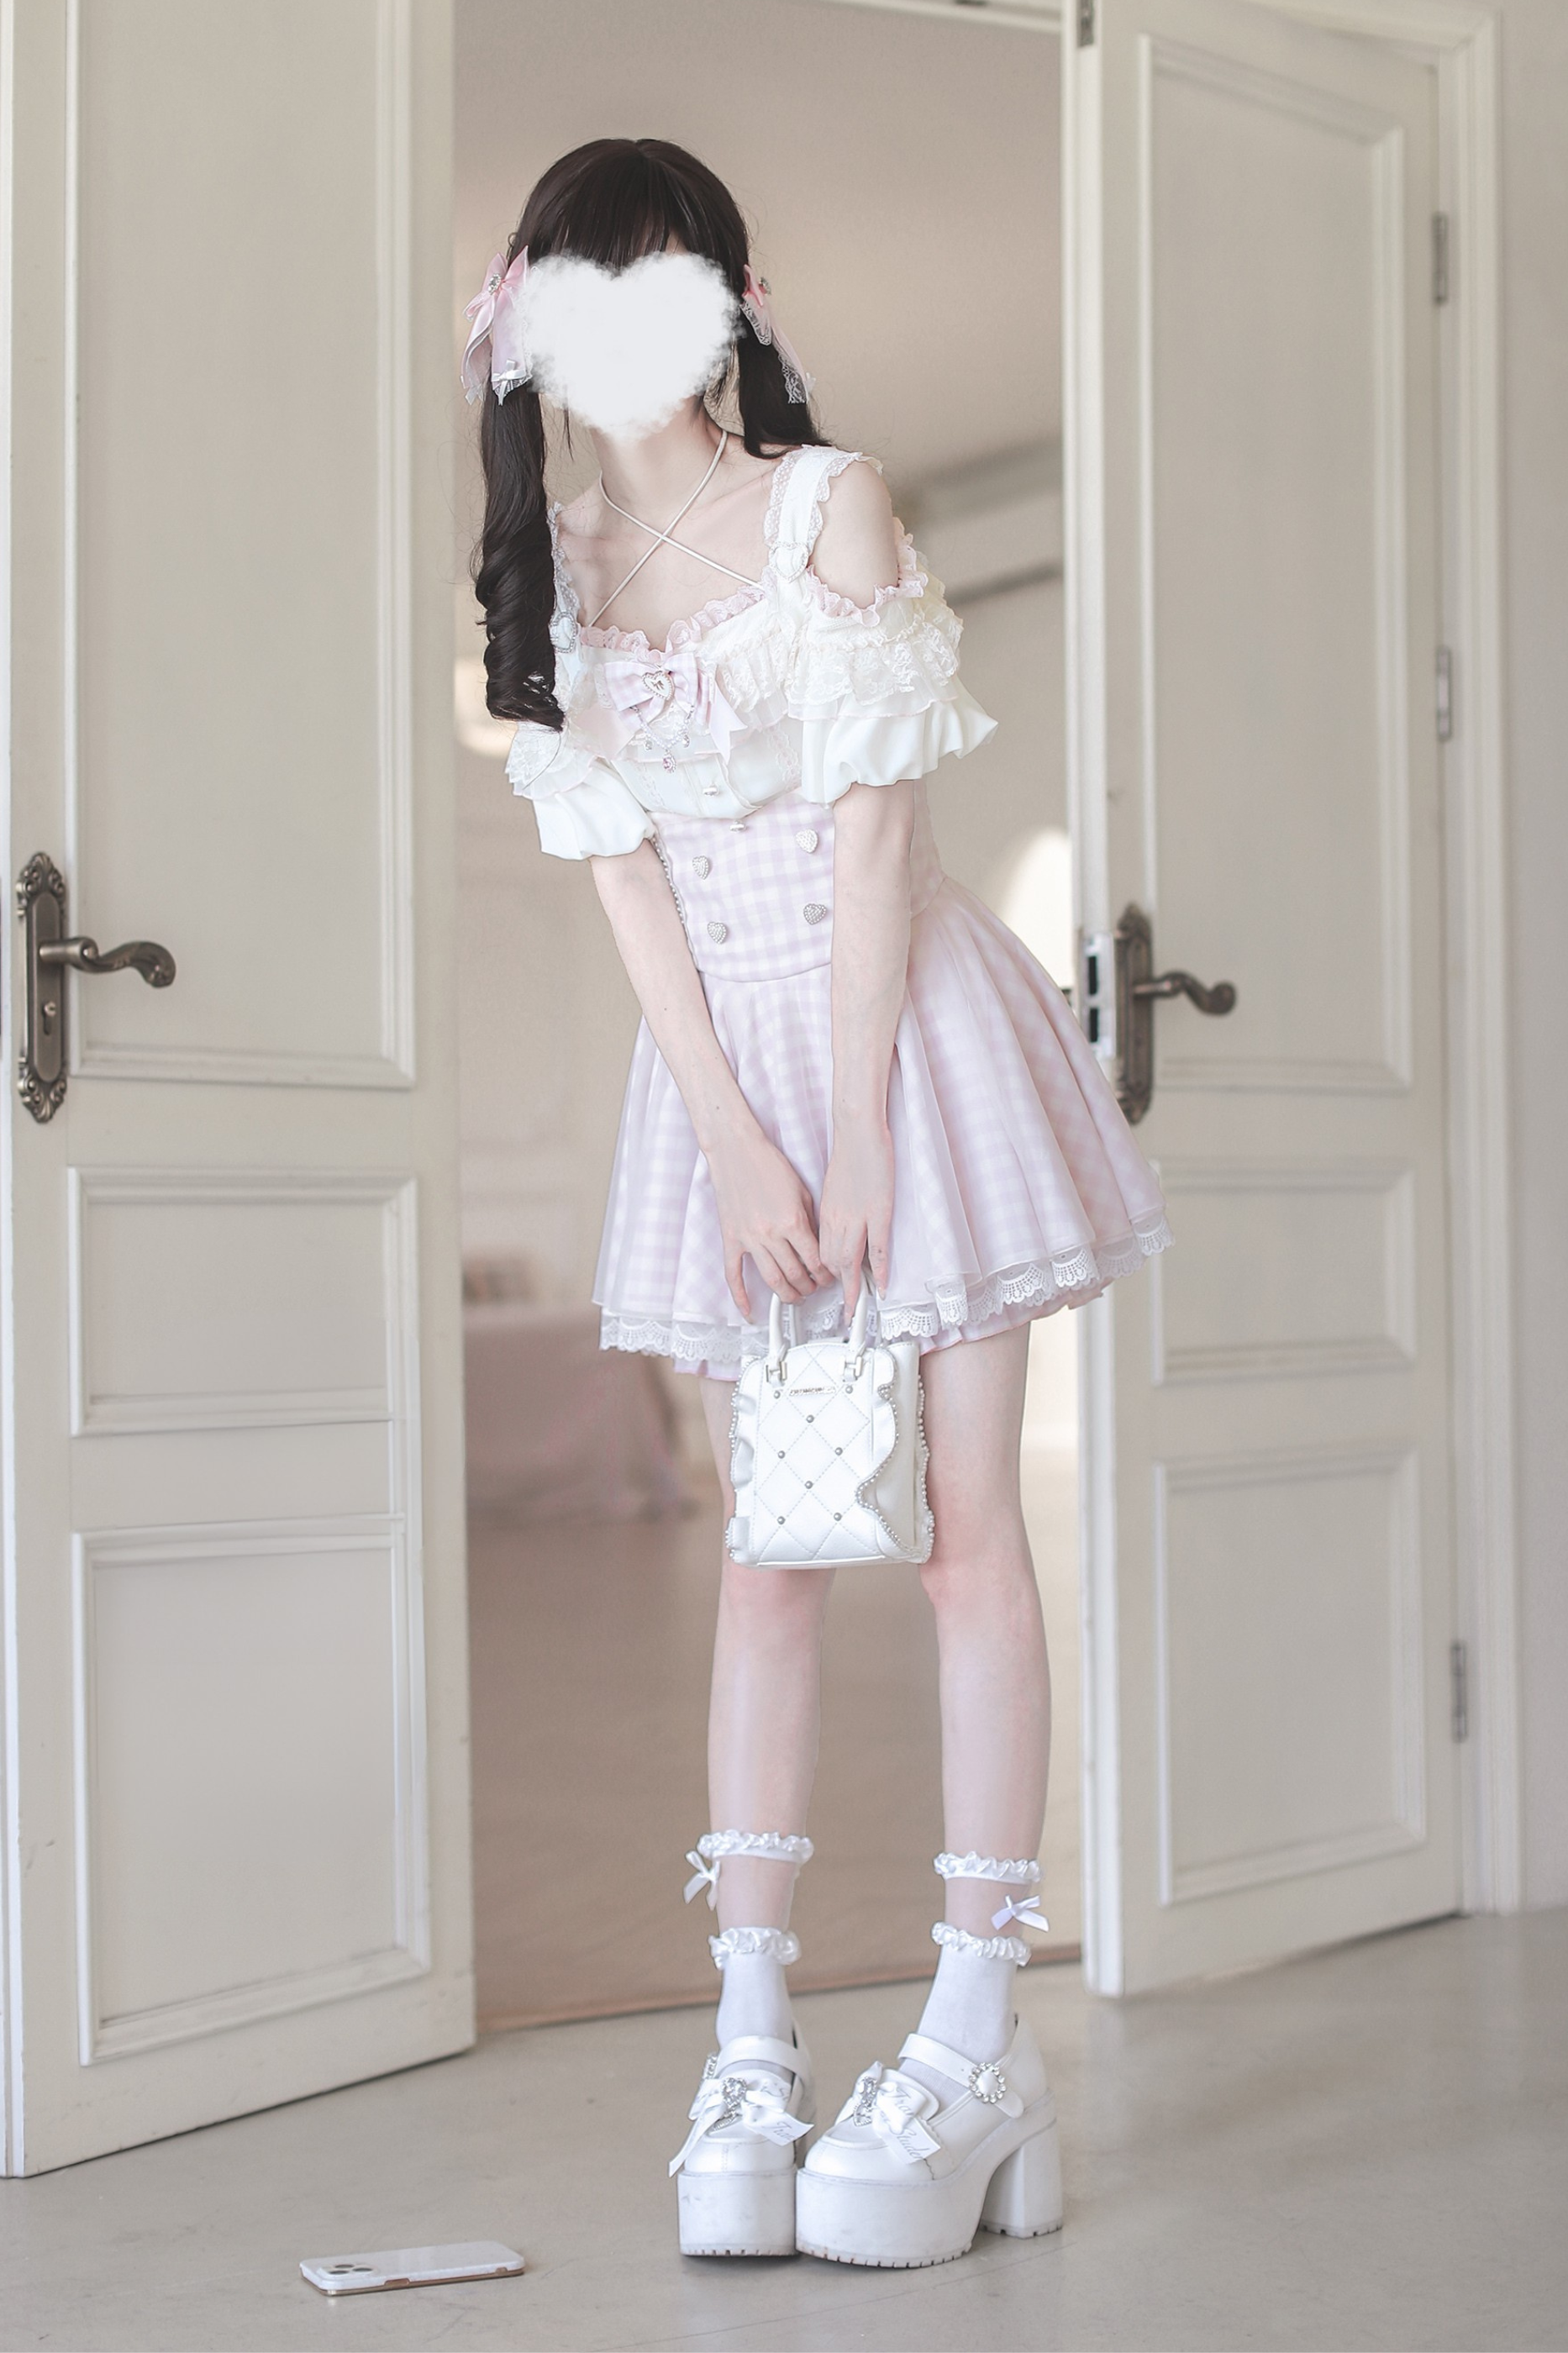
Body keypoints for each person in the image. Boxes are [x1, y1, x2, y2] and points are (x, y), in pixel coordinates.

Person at [466, 136, 1169, 2270]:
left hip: (909, 1050)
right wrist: (737, 1137)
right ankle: (751, 2044)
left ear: (732, 303)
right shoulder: (553, 572)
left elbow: (874, 842)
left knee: (960, 1540)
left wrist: (856, 1134)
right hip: (729, 1091)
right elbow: (630, 897)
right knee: (769, 1559)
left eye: (657, 284)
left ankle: (975, 2032)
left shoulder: (823, 500)